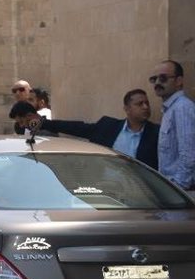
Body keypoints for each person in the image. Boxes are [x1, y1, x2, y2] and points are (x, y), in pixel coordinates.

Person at [36, 89, 159, 169]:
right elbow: (77, 128)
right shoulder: (109, 127)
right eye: (139, 104)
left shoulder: (156, 133)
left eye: (147, 103)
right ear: (127, 109)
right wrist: (43, 123)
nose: (145, 107)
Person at [152, 60, 195, 191]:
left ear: (178, 81)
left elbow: (189, 155)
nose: (157, 83)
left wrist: (178, 188)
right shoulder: (170, 109)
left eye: (163, 78)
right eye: (154, 79)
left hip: (181, 191)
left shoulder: (182, 108)